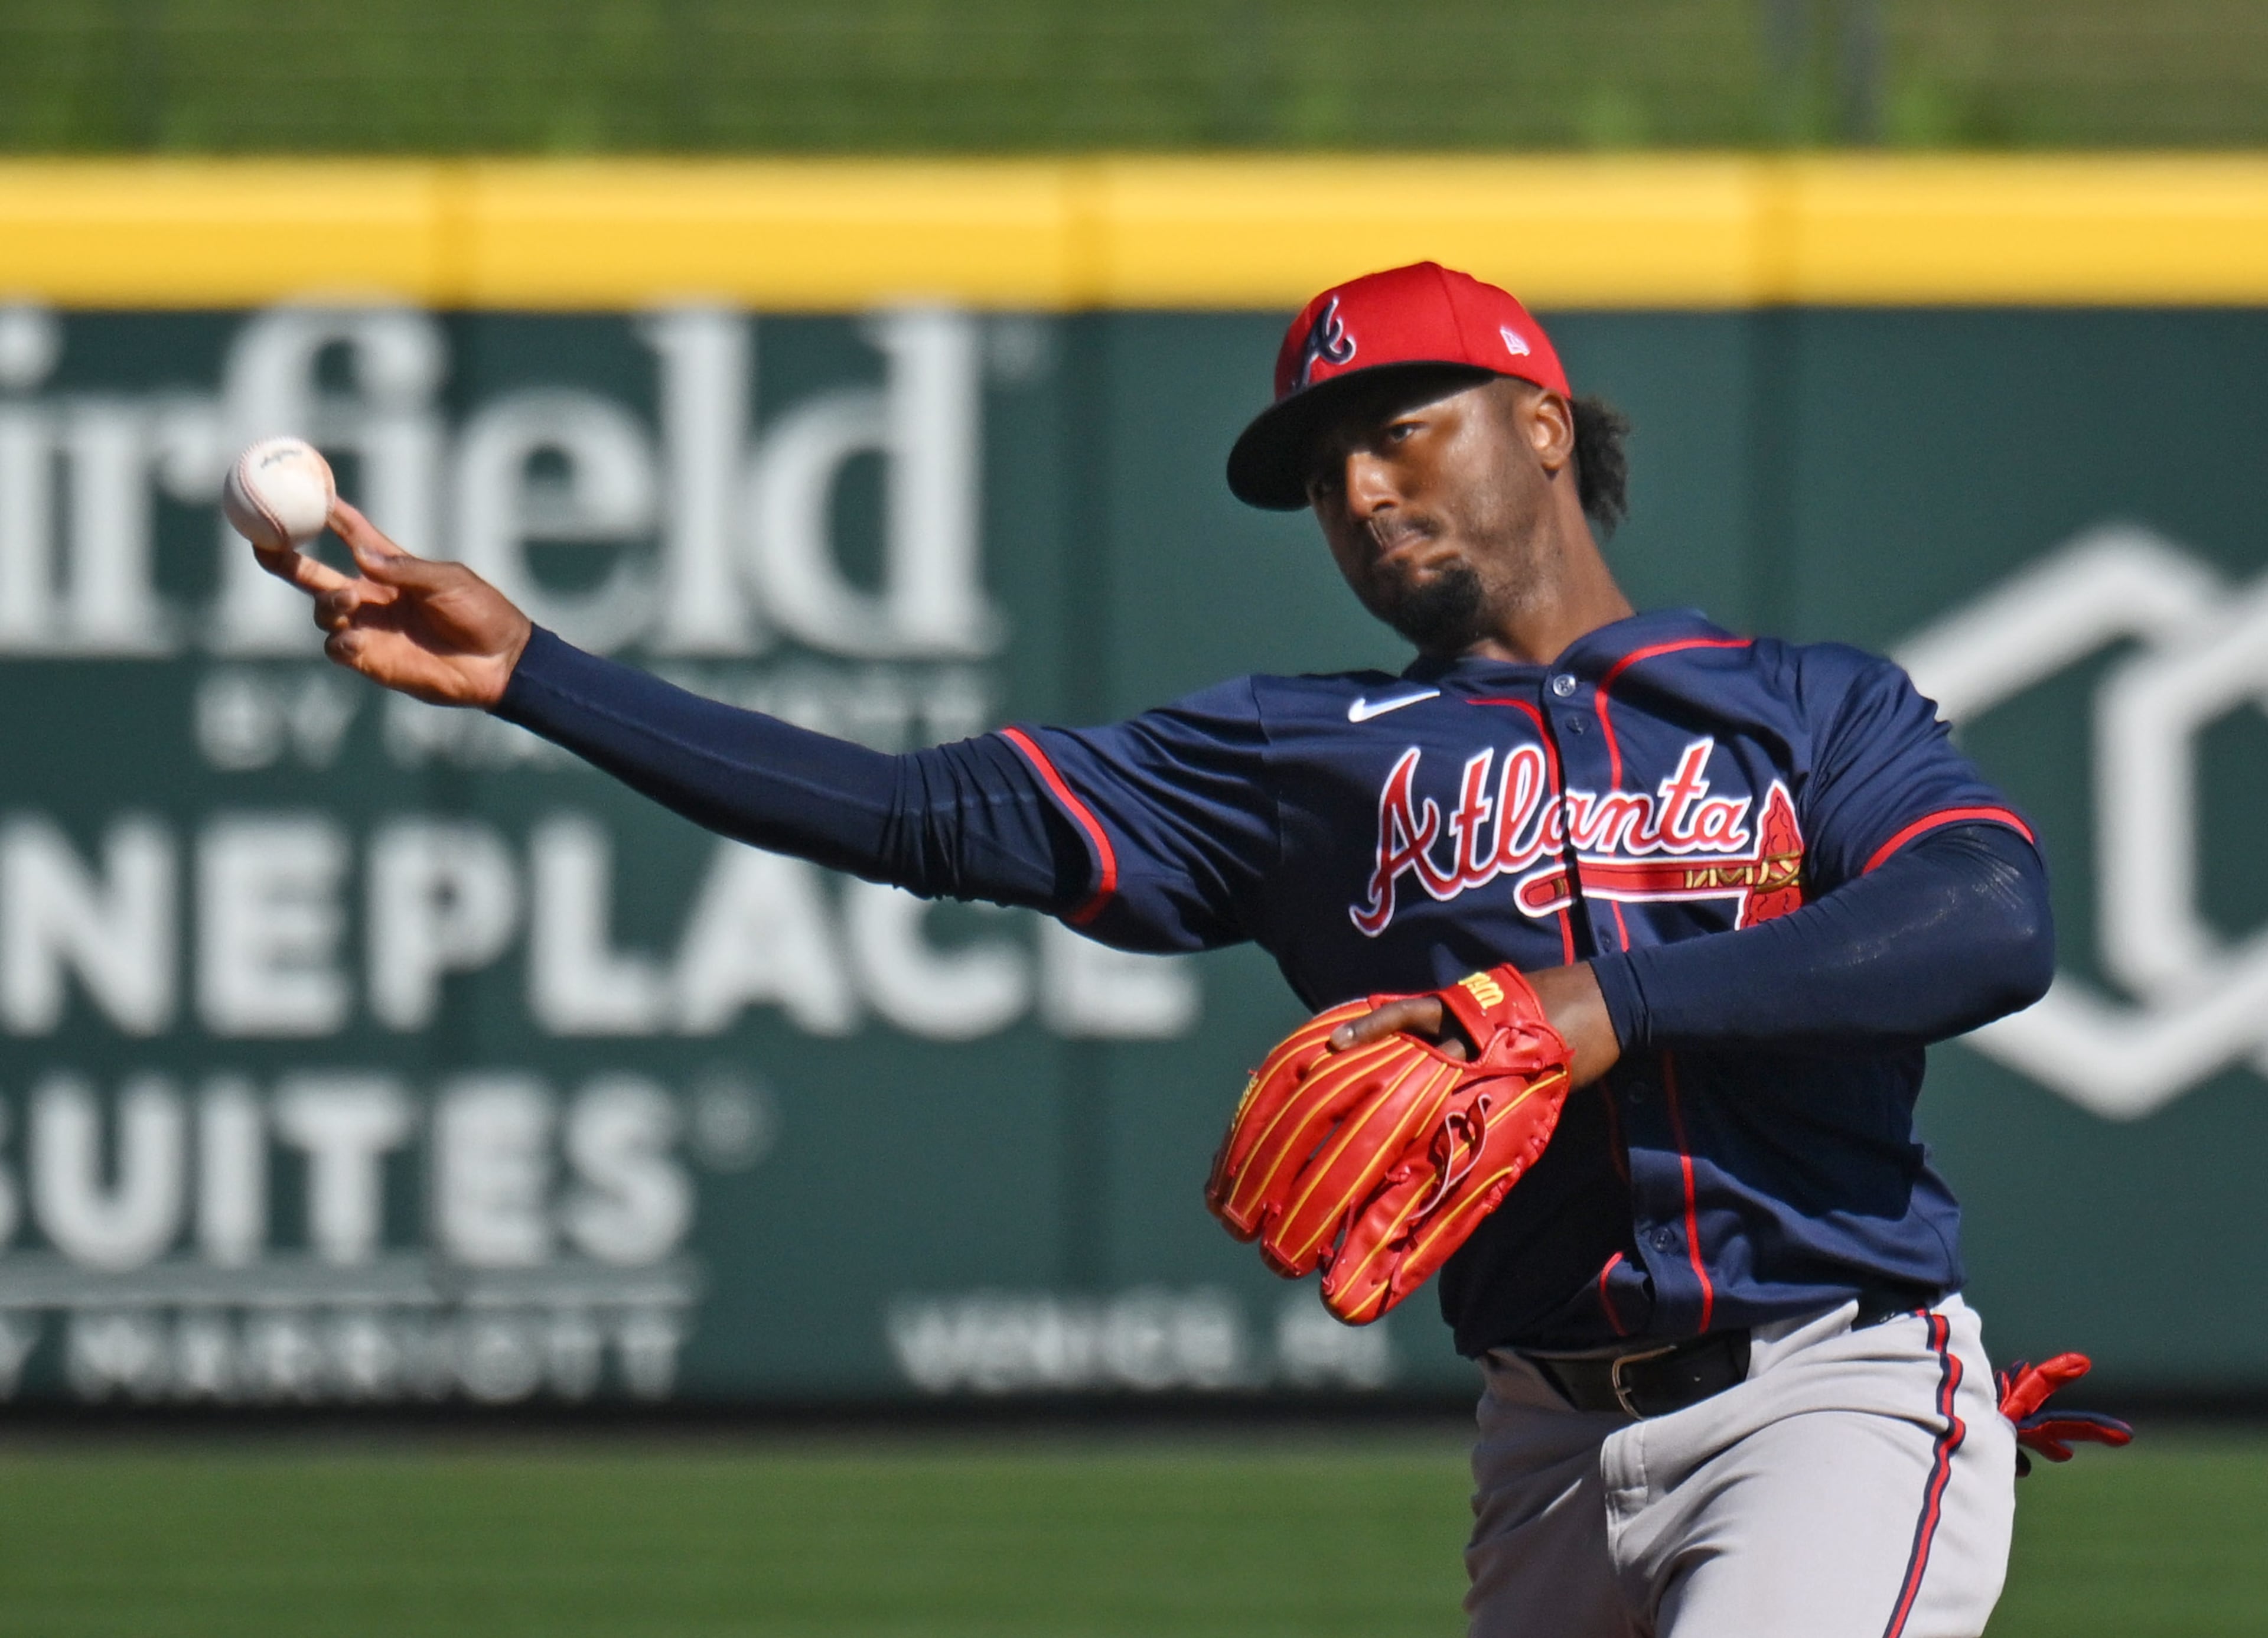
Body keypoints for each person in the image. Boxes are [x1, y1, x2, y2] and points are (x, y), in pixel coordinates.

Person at [260, 261, 2058, 1637]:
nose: (1357, 489)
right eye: (1324, 466)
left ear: (1538, 422)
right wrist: (538, 677)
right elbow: (918, 815)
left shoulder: (1808, 712)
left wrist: (1609, 1006)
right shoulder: (1305, 750)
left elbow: (1983, 919)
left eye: (1398, 428)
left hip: (1828, 1384)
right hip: (1542, 1444)